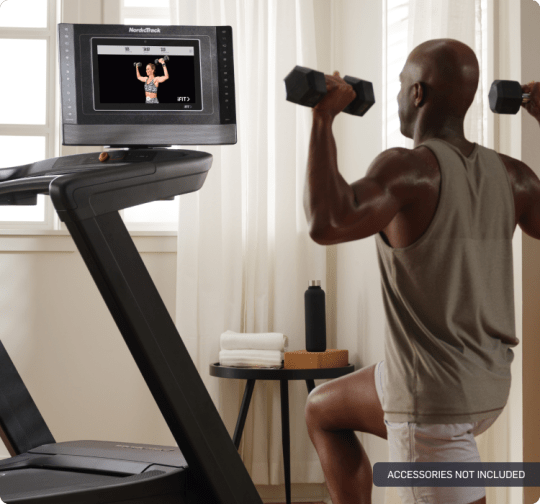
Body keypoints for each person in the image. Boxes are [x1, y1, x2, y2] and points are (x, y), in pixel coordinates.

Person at [303, 38, 540, 504]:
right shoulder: (515, 176)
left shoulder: (406, 168)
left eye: (399, 86)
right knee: (321, 408)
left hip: (432, 403)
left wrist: (322, 118)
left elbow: (326, 223)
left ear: (417, 94)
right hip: (487, 384)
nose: (395, 97)